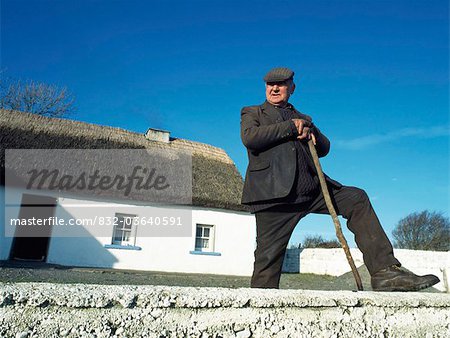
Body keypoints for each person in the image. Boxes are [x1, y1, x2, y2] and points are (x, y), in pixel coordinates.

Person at [240, 67, 440, 291]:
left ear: (292, 88)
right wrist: (290, 127)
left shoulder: (304, 118)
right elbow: (250, 138)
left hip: (313, 191)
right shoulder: (253, 112)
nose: (274, 88)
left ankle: (385, 272)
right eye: (270, 84)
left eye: (281, 84)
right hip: (275, 196)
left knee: (356, 198)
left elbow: (325, 148)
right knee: (267, 261)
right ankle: (261, 306)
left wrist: (312, 131)